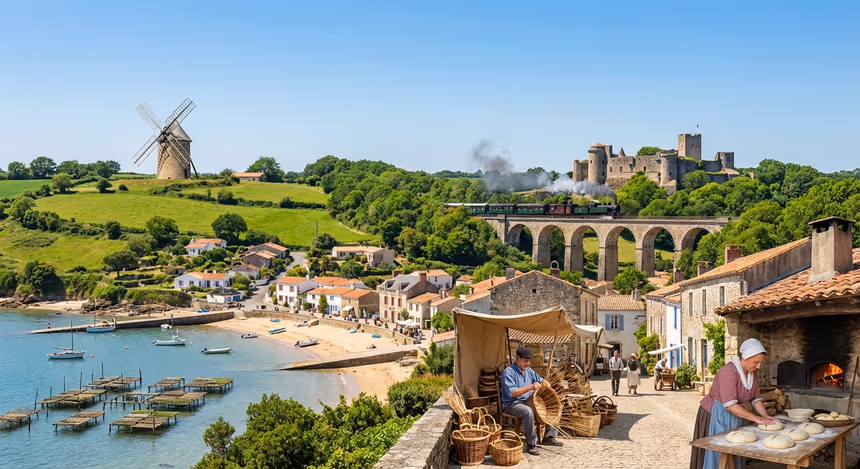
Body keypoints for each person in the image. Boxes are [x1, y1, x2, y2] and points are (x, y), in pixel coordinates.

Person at [690, 338, 780, 469]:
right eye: (756, 362)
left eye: (761, 363)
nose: (759, 366)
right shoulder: (728, 372)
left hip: (736, 414)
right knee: (717, 455)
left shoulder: (752, 373)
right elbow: (730, 405)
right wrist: (757, 419)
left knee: (734, 451)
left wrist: (765, 417)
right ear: (746, 357)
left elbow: (755, 398)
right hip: (715, 415)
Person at [501, 347, 564, 456]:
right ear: (518, 358)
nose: (528, 364)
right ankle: (531, 445)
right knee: (528, 411)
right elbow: (512, 393)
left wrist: (545, 382)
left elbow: (539, 380)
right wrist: (530, 387)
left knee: (554, 406)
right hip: (512, 404)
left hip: (528, 401)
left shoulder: (528, 371)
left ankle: (549, 436)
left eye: (529, 361)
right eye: (525, 361)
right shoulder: (509, 372)